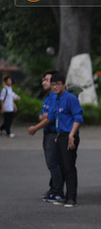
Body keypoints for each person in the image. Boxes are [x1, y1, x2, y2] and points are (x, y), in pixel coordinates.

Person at [27, 70, 64, 203]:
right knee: (52, 163)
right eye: (43, 80)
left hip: (53, 133)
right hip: (47, 133)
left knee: (53, 163)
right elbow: (44, 115)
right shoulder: (48, 97)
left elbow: (50, 117)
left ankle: (58, 191)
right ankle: (54, 189)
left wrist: (35, 128)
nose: (44, 83)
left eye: (46, 80)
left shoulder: (55, 97)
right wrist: (43, 118)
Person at [49, 72, 83, 208]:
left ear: (64, 85)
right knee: (62, 167)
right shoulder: (56, 98)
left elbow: (78, 117)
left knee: (69, 167)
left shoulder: (70, 98)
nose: (54, 87)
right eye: (52, 85)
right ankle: (66, 195)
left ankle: (72, 197)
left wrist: (71, 135)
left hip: (70, 135)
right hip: (60, 135)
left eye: (57, 84)